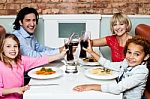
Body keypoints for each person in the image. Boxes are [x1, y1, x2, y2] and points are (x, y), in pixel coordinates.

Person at [73, 37, 150, 99]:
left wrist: (91, 86)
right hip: (119, 95)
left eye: (137, 54)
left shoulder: (142, 71)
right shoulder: (126, 62)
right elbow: (108, 64)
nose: (131, 57)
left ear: (146, 56)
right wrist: (91, 52)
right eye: (129, 52)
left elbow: (118, 88)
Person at [0, 34, 67, 99]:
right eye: (8, 46)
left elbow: (39, 60)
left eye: (15, 46)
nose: (13, 49)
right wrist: (16, 90)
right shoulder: (0, 66)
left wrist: (59, 55)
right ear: (2, 48)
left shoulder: (21, 60)